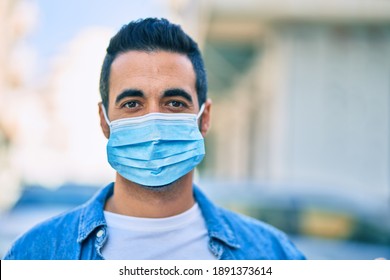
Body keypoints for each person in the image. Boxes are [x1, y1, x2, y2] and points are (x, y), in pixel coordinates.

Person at [3, 18, 305, 260]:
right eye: (132, 104)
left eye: (174, 103)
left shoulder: (273, 255)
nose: (154, 124)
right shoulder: (36, 256)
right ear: (103, 120)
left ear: (205, 117)